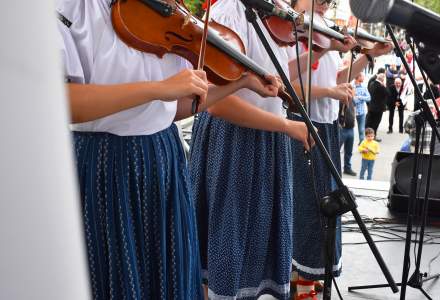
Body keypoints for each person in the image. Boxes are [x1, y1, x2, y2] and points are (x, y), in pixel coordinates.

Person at [56, 0, 284, 299]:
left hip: (163, 157)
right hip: (105, 164)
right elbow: (65, 102)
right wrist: (157, 87)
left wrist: (241, 82)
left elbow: (178, 106)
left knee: (169, 278)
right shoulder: (72, 7)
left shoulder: (158, 15)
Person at [189, 0, 314, 299]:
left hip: (267, 137)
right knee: (228, 239)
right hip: (234, 140)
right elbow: (216, 102)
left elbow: (274, 75)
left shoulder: (271, 14)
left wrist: (317, 53)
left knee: (256, 243)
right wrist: (286, 126)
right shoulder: (226, 14)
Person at [287, 0, 392, 299]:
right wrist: (330, 91)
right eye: (317, 1)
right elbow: (289, 87)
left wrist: (367, 56)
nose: (323, 5)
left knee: (327, 203)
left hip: (326, 125)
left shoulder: (323, 35)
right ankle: (302, 278)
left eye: (327, 3)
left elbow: (336, 79)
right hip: (302, 125)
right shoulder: (294, 34)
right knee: (308, 205)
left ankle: (311, 272)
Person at [367, 70, 388, 141]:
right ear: (382, 79)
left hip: (371, 106)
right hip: (378, 108)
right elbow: (388, 93)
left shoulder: (372, 84)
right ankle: (373, 137)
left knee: (370, 122)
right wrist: (385, 86)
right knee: (375, 123)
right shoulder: (381, 86)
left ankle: (369, 136)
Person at [339, 100, 357, 176]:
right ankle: (336, 169)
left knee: (349, 151)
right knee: (336, 150)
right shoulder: (340, 100)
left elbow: (354, 111)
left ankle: (347, 168)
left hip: (351, 129)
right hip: (342, 129)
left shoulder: (352, 100)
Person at [353, 72, 370, 143]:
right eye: (362, 76)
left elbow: (369, 98)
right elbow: (354, 100)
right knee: (348, 130)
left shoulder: (364, 87)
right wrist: (360, 99)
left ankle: (362, 144)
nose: (364, 78)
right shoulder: (351, 86)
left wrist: (359, 97)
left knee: (361, 129)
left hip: (361, 112)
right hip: (352, 112)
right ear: (358, 77)